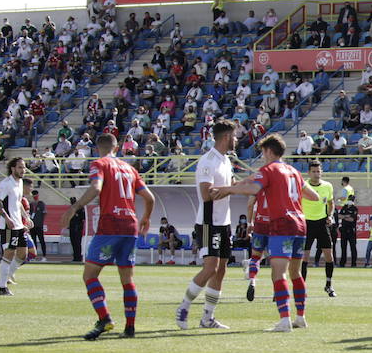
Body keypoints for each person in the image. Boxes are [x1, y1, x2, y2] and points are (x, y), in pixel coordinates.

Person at [214, 134, 320, 332]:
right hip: (300, 225)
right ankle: (301, 317)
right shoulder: (294, 171)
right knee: (296, 273)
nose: (263, 156)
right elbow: (313, 196)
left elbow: (254, 188)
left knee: (278, 273)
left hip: (282, 224)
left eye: (263, 152)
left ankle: (284, 320)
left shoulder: (269, 170)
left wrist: (229, 189)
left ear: (269, 151)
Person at [67, 134, 156, 340]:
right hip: (130, 225)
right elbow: (149, 198)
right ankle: (130, 328)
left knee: (89, 275)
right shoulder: (130, 169)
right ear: (117, 148)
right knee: (127, 279)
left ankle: (105, 318)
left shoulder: (100, 164)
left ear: (98, 148)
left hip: (110, 225)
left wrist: (74, 208)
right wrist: (146, 218)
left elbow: (96, 188)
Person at [176, 120, 238, 330]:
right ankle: (183, 307)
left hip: (224, 222)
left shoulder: (226, 160)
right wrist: (233, 190)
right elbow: (206, 193)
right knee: (210, 268)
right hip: (208, 222)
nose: (236, 140)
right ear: (226, 137)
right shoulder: (207, 161)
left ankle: (207, 318)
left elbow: (228, 187)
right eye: (234, 136)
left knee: (221, 270)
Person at [300, 160, 337, 297]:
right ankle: (302, 287)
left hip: (322, 223)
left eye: (318, 171)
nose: (316, 174)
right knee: (304, 257)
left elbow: (331, 202)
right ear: (309, 173)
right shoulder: (303, 186)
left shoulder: (328, 186)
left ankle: (328, 285)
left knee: (329, 255)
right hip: (306, 223)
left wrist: (330, 215)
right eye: (314, 171)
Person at [0, 157, 30, 295]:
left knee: (22, 254)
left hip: (18, 224)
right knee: (9, 254)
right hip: (8, 226)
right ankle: (3, 288)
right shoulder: (6, 183)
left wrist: (26, 217)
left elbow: (18, 202)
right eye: (20, 167)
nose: (23, 170)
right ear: (13, 168)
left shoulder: (19, 182)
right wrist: (7, 218)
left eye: (24, 167)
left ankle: (4, 278)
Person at [336, 195, 358, 268]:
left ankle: (353, 263)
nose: (350, 201)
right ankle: (342, 263)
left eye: (352, 200)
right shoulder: (344, 207)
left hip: (351, 230)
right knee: (343, 247)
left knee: (353, 247)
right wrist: (346, 216)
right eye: (349, 199)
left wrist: (344, 216)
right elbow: (339, 216)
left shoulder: (354, 209)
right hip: (344, 230)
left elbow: (352, 219)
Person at [29, 189, 48, 258]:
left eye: (36, 195)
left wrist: (41, 222)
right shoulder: (31, 204)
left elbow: (44, 213)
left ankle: (44, 256)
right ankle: (34, 256)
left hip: (39, 225)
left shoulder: (41, 203)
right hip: (32, 226)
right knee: (33, 242)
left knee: (41, 241)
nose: (35, 196)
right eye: (34, 195)